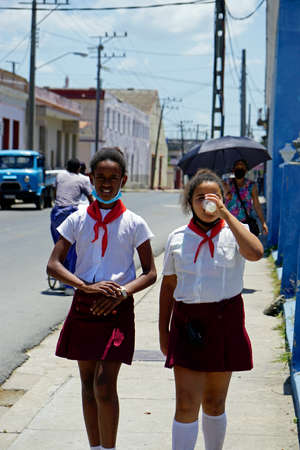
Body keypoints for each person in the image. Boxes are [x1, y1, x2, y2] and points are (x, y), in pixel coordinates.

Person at [47, 147, 157, 450]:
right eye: (100, 178)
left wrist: (123, 292)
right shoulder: (77, 219)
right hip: (85, 305)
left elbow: (149, 272)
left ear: (123, 180)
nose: (106, 184)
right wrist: (85, 287)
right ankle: (94, 447)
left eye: (113, 178)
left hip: (117, 309)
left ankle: (109, 448)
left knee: (105, 385)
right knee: (86, 384)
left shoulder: (135, 222)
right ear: (90, 179)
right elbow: (53, 265)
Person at [159, 168, 263, 450]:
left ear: (224, 198)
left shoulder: (235, 233)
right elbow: (168, 287)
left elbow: (256, 253)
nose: (206, 202)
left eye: (214, 196)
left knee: (215, 403)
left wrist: (226, 214)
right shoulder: (177, 238)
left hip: (224, 322)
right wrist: (163, 333)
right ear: (190, 202)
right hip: (187, 324)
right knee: (186, 403)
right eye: (200, 198)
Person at [50, 157, 94, 294]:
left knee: (60, 246)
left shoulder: (60, 176)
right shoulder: (83, 179)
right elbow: (91, 198)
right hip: (70, 213)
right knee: (72, 249)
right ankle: (69, 285)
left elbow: (55, 191)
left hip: (56, 213)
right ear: (79, 169)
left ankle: (63, 280)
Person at [224, 159, 268, 234]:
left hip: (245, 224)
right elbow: (221, 199)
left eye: (242, 167)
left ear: (246, 170)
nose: (240, 168)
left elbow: (257, 205)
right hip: (228, 224)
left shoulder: (251, 185)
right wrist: (226, 191)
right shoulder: (226, 183)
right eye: (237, 166)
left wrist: (263, 222)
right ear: (233, 169)